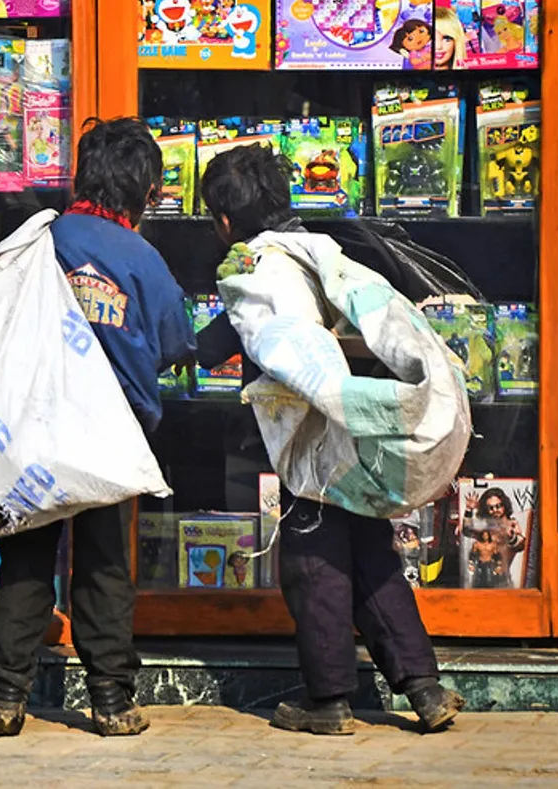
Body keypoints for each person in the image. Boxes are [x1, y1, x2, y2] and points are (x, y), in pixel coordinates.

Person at [195, 143, 465, 736]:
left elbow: (223, 341)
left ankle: (330, 700)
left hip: (314, 449)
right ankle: (423, 688)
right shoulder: (328, 254)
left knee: (314, 566)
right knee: (373, 558)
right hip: (360, 442)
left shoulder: (261, 273)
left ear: (222, 221)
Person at [0, 118, 196, 739]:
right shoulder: (144, 259)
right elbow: (175, 343)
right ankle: (112, 701)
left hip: (29, 432)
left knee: (25, 557)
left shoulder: (38, 241)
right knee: (103, 566)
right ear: (146, 192)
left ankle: (4, 694)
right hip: (110, 437)